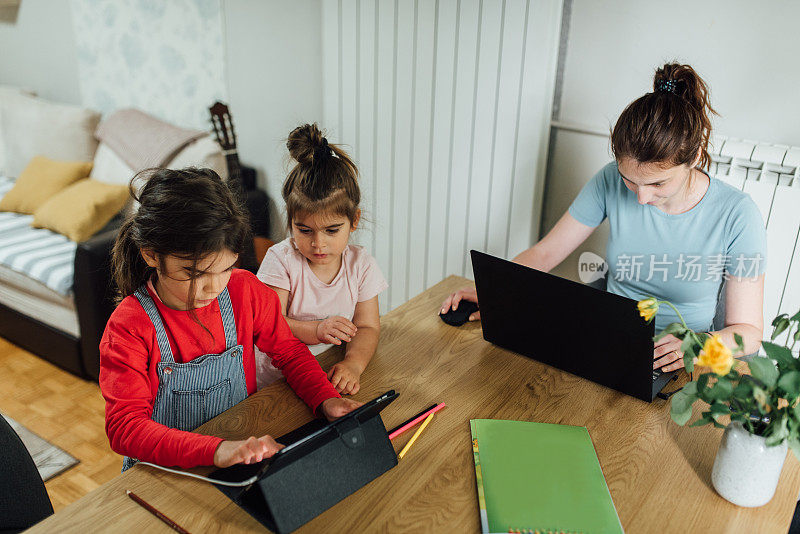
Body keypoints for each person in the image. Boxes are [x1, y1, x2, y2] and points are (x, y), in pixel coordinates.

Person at [441, 63, 766, 372]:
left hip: (685, 364)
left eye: (658, 183)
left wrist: (699, 345)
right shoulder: (610, 179)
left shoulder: (737, 213)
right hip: (610, 342)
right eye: (631, 180)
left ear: (694, 156)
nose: (641, 197)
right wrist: (497, 290)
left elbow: (749, 331)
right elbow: (545, 252)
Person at [100, 167, 360, 471]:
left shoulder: (244, 291)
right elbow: (126, 429)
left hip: (237, 451)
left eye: (224, 269)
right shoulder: (129, 326)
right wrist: (216, 451)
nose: (212, 287)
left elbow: (289, 352)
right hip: (163, 472)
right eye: (193, 274)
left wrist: (327, 400)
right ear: (151, 255)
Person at [254, 123, 387, 396]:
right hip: (277, 382)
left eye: (331, 230)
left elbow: (368, 325)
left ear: (354, 221)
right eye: (304, 230)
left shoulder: (361, 264)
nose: (318, 243)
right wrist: (317, 330)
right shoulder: (280, 259)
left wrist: (353, 363)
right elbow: (269, 326)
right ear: (290, 222)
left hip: (328, 371)